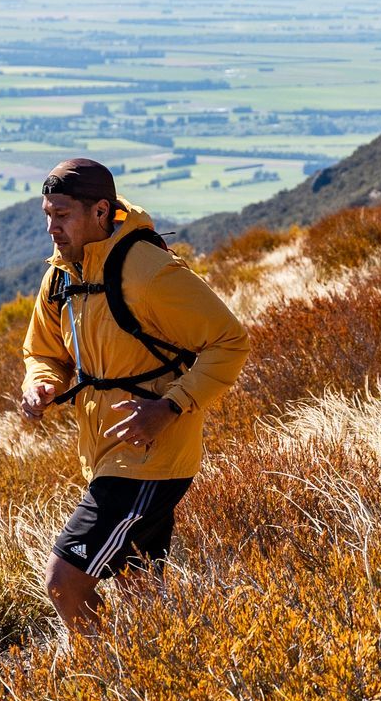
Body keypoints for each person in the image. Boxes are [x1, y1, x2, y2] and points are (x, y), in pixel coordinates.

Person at [19, 157, 250, 632]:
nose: (51, 227)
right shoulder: (61, 276)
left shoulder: (148, 272)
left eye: (62, 215)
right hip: (106, 453)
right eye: (47, 214)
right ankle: (158, 665)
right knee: (140, 590)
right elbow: (43, 351)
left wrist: (170, 407)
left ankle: (99, 670)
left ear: (100, 211)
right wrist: (40, 383)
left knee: (64, 580)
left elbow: (230, 342)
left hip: (151, 456)